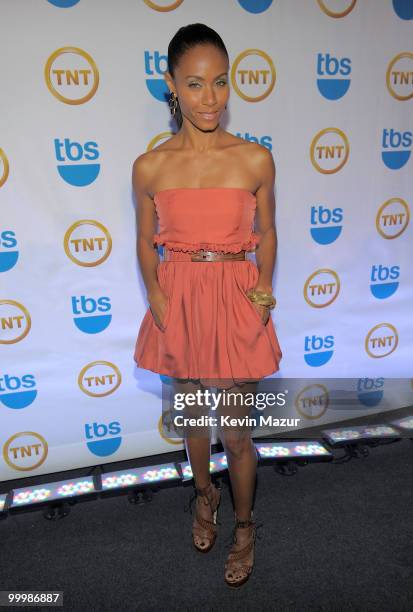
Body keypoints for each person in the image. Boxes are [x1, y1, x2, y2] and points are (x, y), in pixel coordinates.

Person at [132, 23, 282, 588]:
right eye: (194, 84)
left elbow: (267, 233)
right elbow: (145, 242)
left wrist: (263, 291)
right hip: (182, 304)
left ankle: (244, 526)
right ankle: (203, 496)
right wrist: (156, 293)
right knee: (196, 423)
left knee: (237, 432)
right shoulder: (149, 167)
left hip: (236, 299)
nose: (210, 97)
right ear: (170, 84)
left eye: (220, 82)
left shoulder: (255, 160)